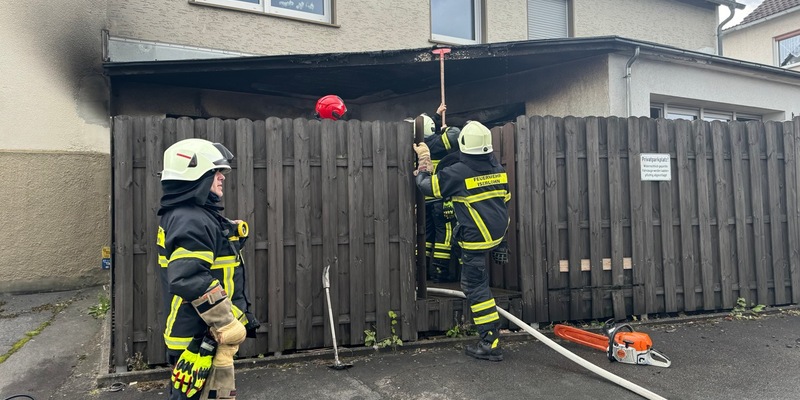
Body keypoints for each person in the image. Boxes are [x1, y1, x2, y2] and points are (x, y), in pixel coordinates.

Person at [157, 138, 259, 399]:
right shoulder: (191, 219)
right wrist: (226, 322)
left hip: (203, 334)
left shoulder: (193, 215)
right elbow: (189, 277)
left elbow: (209, 259)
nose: (222, 177)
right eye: (215, 172)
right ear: (195, 175)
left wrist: (229, 233)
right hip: (200, 337)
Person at [414, 121, 511, 361]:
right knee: (457, 244)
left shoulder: (458, 172)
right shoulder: (497, 168)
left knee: (475, 287)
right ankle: (494, 248)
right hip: (497, 233)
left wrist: (424, 161)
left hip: (476, 240)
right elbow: (504, 199)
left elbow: (428, 186)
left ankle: (490, 341)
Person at [416, 103, 462, 283]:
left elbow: (428, 131)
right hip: (439, 197)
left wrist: (436, 116)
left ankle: (423, 269)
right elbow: (454, 135)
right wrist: (445, 127)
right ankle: (441, 270)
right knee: (445, 233)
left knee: (426, 235)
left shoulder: (417, 144)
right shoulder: (437, 142)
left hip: (423, 199)